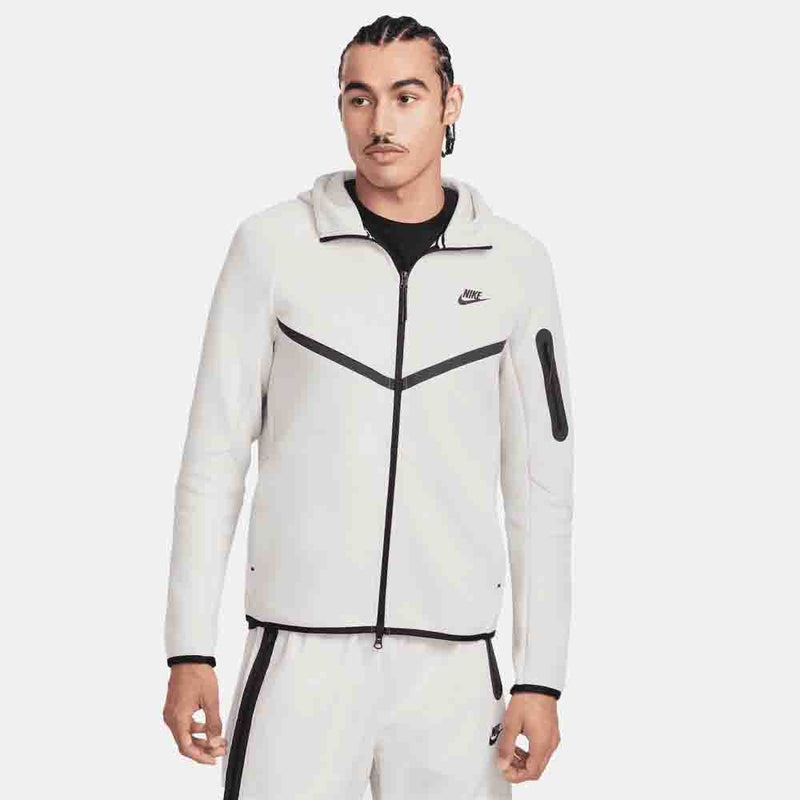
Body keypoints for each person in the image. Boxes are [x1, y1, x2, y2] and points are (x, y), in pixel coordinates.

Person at [161, 14, 574, 799]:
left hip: (455, 666)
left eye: (406, 97)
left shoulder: (516, 266)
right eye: (360, 98)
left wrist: (541, 675)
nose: (380, 122)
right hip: (298, 655)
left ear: (451, 105)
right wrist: (190, 651)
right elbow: (213, 460)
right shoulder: (272, 248)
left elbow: (541, 485)